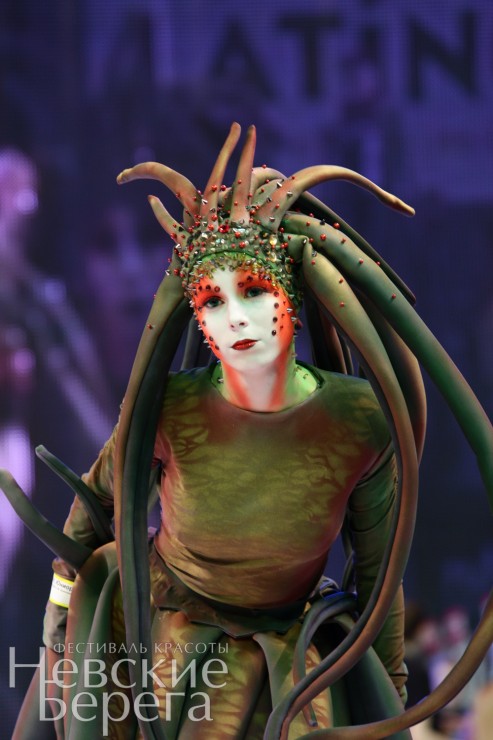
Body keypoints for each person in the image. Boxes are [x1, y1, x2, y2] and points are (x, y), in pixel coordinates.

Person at [3, 123, 493, 739]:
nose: (236, 318)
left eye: (255, 292)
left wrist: (387, 704)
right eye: (213, 301)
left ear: (290, 294)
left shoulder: (360, 420)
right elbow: (96, 507)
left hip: (293, 662)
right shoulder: (171, 407)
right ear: (197, 317)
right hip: (160, 646)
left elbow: (378, 577)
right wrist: (59, 630)